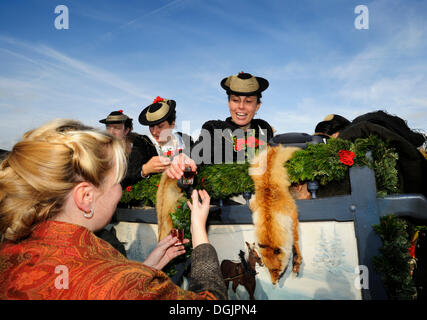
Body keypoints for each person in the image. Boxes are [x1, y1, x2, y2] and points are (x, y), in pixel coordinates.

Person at [0, 119, 227, 300]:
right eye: (117, 181)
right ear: (85, 197)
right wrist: (199, 233)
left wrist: (146, 267)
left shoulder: (10, 252)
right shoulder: (121, 286)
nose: (120, 190)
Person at [166, 72, 274, 179]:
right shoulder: (215, 128)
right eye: (235, 100)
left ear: (257, 106)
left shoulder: (263, 128)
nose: (241, 106)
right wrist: (185, 157)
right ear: (229, 103)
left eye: (249, 101)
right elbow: (200, 148)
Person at [137, 96, 193, 180]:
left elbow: (192, 175)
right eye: (151, 126)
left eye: (160, 126)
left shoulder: (185, 140)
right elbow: (128, 176)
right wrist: (145, 170)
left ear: (172, 125)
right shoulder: (142, 143)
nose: (154, 132)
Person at [99, 109, 145, 188]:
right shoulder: (100, 150)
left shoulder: (136, 151)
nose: (111, 132)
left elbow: (134, 178)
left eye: (116, 128)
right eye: (108, 127)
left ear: (126, 130)